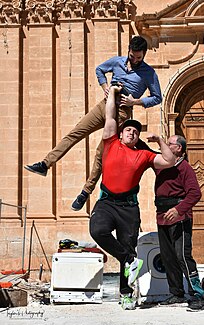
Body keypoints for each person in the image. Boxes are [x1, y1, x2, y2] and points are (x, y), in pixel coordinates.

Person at [24, 36, 162, 210]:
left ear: (144, 55)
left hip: (122, 111)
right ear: (129, 50)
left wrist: (136, 102)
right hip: (105, 104)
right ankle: (45, 164)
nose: (134, 60)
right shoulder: (117, 61)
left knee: (100, 152)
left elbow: (157, 97)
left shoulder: (148, 73)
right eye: (132, 56)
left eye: (139, 58)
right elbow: (99, 70)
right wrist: (104, 86)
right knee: (76, 132)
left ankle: (85, 193)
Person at [89, 84, 175, 310]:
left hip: (128, 207)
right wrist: (114, 94)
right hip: (107, 202)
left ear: (138, 138)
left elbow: (169, 161)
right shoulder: (111, 142)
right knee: (98, 231)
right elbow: (110, 114)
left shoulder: (144, 155)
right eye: (128, 129)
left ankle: (126, 294)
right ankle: (128, 260)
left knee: (128, 248)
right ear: (121, 131)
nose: (132, 132)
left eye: (136, 132)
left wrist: (160, 142)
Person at [154, 135, 204, 310]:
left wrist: (179, 210)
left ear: (179, 149)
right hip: (162, 217)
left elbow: (195, 193)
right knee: (168, 257)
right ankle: (176, 293)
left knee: (183, 256)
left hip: (180, 218)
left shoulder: (185, 168)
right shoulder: (162, 165)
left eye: (170, 144)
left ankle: (197, 294)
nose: (167, 146)